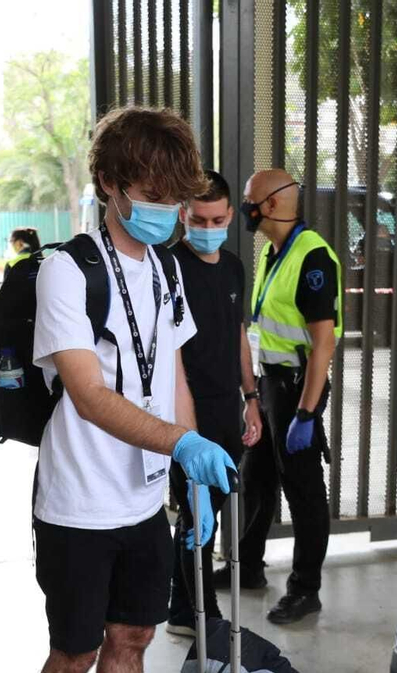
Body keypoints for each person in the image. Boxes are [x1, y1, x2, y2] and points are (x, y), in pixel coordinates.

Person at [30, 106, 233, 673]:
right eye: (155, 196)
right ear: (111, 185)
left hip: (146, 497)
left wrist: (186, 466)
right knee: (74, 654)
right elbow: (87, 393)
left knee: (133, 638)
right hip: (79, 504)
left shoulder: (167, 268)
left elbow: (172, 373)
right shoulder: (66, 269)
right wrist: (181, 441)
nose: (171, 215)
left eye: (178, 201)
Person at [225, 169, 341, 625]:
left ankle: (305, 589)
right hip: (271, 386)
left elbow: (323, 344)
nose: (246, 207)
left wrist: (308, 413)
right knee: (256, 476)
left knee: (304, 490)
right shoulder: (275, 253)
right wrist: (254, 392)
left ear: (272, 204)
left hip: (297, 389)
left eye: (250, 199)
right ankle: (249, 566)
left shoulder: (312, 258)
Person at [165, 170, 264, 638]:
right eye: (199, 219)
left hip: (228, 405)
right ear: (183, 215)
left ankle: (181, 603)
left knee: (210, 509)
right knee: (194, 510)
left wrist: (251, 397)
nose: (208, 228)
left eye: (218, 219)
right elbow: (170, 351)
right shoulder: (167, 267)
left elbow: (238, 334)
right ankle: (198, 615)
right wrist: (183, 427)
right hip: (187, 412)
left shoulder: (233, 267)